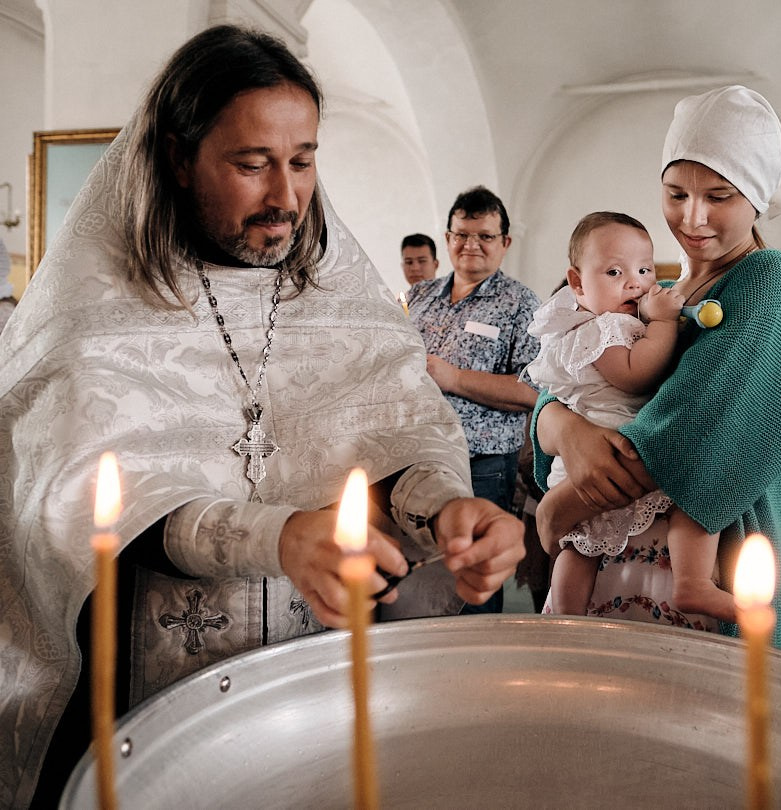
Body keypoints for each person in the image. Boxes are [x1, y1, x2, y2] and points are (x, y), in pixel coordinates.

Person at [0, 26, 524, 808]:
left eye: (303, 161)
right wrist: (277, 537)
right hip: (134, 699)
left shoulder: (339, 302)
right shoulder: (93, 314)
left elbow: (400, 427)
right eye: (252, 165)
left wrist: (451, 511)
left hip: (311, 691)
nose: (286, 196)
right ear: (178, 158)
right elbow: (75, 495)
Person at [532, 86, 781, 642]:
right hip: (614, 564)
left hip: (707, 572)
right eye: (675, 194)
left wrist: (560, 505)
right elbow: (574, 376)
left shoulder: (768, 282)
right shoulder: (661, 292)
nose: (692, 218)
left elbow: (693, 427)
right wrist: (564, 427)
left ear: (757, 197)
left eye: (719, 195)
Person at [526, 211, 737, 620]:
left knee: (586, 545)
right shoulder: (600, 329)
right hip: (605, 454)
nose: (634, 282)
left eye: (643, 269)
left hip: (611, 449)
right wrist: (662, 324)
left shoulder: (620, 321)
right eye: (614, 271)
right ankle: (571, 616)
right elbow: (636, 376)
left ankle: (684, 586)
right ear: (576, 282)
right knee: (584, 545)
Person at [407, 185, 541, 612]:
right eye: (462, 234)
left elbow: (534, 391)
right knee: (417, 576)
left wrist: (454, 378)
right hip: (415, 457)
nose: (472, 245)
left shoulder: (522, 305)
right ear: (447, 239)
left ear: (504, 243)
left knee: (474, 577)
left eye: (485, 236)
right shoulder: (419, 297)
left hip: (480, 464)